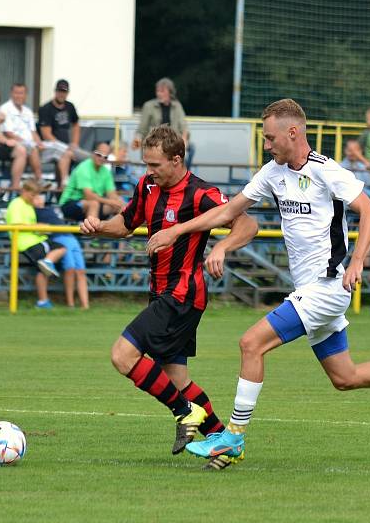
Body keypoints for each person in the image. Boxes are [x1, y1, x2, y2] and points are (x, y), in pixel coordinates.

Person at [147, 99, 370, 470]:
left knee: (251, 344)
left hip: (328, 288)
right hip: (312, 292)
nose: (267, 145)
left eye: (270, 138)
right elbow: (227, 211)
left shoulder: (326, 171)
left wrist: (357, 260)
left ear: (293, 133)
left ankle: (233, 437)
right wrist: (179, 231)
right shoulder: (273, 172)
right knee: (344, 377)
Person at [81, 125, 259, 457]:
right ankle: (225, 442)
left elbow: (248, 224)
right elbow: (125, 224)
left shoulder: (200, 193)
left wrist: (221, 248)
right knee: (177, 379)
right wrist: (98, 228)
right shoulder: (147, 186)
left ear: (177, 160)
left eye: (155, 165)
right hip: (161, 293)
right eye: (146, 164)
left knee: (123, 355)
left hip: (183, 295)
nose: (149, 172)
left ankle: (185, 412)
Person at [5, 179, 66, 309]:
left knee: (60, 249)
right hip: (25, 243)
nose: (34, 198)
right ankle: (43, 301)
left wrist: (40, 228)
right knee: (42, 268)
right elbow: (16, 225)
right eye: (32, 195)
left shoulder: (28, 206)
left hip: (37, 240)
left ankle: (48, 263)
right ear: (24, 191)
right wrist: (36, 226)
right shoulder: (16, 204)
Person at [34, 196, 89, 309]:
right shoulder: (33, 211)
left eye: (40, 196)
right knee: (70, 269)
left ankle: (85, 305)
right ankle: (70, 304)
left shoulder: (50, 208)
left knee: (81, 271)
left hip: (70, 236)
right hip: (58, 238)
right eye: (35, 197)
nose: (39, 199)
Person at [38, 79, 91, 187]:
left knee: (90, 158)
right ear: (55, 91)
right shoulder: (46, 108)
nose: (61, 94)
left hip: (68, 146)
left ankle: (85, 185)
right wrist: (64, 147)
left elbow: (76, 124)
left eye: (64, 91)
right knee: (65, 154)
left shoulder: (70, 106)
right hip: (50, 146)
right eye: (59, 91)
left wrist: (75, 143)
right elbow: (46, 134)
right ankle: (64, 186)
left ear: (67, 93)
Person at [132, 78, 192, 167]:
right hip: (155, 144)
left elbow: (184, 128)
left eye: (162, 91)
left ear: (170, 92)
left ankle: (184, 178)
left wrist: (184, 141)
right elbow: (141, 129)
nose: (159, 94)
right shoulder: (148, 106)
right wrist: (137, 141)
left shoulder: (177, 106)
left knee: (190, 149)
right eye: (157, 91)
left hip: (172, 144)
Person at [59, 142, 124, 221]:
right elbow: (88, 196)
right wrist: (110, 201)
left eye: (105, 157)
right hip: (69, 203)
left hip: (91, 203)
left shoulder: (105, 171)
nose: (101, 158)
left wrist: (117, 200)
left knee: (120, 205)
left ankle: (124, 232)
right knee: (94, 204)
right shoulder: (84, 167)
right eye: (99, 154)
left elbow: (111, 193)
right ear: (93, 153)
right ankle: (92, 231)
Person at [0, 83, 44, 187]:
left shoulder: (28, 111)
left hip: (30, 145)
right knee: (31, 148)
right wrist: (29, 143)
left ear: (25, 95)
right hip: (11, 145)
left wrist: (39, 143)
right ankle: (39, 180)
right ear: (11, 94)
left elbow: (33, 132)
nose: (19, 96)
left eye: (21, 93)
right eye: (16, 93)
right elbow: (8, 133)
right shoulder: (5, 109)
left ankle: (63, 185)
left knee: (60, 150)